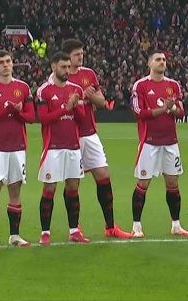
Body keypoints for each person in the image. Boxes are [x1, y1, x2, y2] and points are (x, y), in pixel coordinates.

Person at [59, 38, 133, 239]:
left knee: (103, 176)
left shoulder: (89, 74)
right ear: (67, 57)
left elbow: (102, 102)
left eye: (82, 53)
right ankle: (74, 229)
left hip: (90, 134)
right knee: (72, 184)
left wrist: (90, 96)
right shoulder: (60, 77)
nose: (80, 57)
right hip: (70, 136)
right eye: (76, 54)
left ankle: (110, 227)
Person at [130, 50, 188, 238]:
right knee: (143, 183)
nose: (162, 62)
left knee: (173, 184)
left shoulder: (173, 85)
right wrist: (162, 109)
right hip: (149, 142)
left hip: (170, 142)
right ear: (149, 63)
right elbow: (138, 111)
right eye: (158, 59)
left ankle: (176, 224)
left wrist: (171, 107)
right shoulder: (141, 85)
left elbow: (180, 112)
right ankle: (136, 226)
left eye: (164, 59)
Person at [0, 50, 35, 248]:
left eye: (8, 61)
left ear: (13, 63)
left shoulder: (23, 87)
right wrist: (8, 110)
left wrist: (18, 112)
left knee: (15, 189)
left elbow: (31, 117)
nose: (5, 65)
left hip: (18, 147)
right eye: (1, 62)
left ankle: (14, 235)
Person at [35, 51, 91, 245]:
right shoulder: (44, 91)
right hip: (53, 148)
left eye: (69, 67)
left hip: (73, 147)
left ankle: (74, 230)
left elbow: (83, 119)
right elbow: (43, 119)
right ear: (53, 67)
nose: (67, 70)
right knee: (49, 189)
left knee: (73, 188)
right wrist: (64, 109)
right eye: (63, 67)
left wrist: (75, 107)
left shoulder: (76, 89)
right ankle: (45, 232)